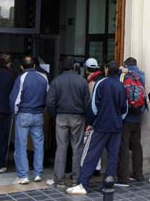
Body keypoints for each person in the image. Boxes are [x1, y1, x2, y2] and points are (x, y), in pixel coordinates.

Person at [67, 60, 128, 195]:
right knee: (113, 156)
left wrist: (90, 123)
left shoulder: (101, 83)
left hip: (100, 125)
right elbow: (124, 109)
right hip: (116, 126)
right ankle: (108, 183)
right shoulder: (121, 86)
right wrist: (118, 120)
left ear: (106, 69)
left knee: (91, 154)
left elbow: (94, 107)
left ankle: (83, 184)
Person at [45, 56, 91, 187]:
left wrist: (55, 115)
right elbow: (87, 102)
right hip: (78, 117)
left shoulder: (56, 81)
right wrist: (87, 119)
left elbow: (50, 102)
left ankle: (59, 179)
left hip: (61, 116)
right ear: (74, 66)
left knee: (61, 147)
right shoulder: (82, 81)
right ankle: (76, 179)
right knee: (77, 148)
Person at [9, 56, 49, 185]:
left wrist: (15, 113)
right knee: (38, 145)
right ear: (33, 66)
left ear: (21, 67)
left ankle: (23, 175)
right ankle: (38, 174)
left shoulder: (21, 78)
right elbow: (48, 97)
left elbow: (14, 100)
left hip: (24, 114)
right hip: (39, 114)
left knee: (21, 145)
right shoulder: (43, 78)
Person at [116, 57, 146, 186]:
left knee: (123, 146)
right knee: (136, 146)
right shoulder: (142, 76)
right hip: (138, 115)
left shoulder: (124, 75)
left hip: (126, 116)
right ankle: (138, 174)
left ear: (125, 64)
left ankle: (123, 176)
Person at [84, 57, 104, 176]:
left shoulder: (91, 82)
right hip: (102, 115)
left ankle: (93, 167)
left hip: (94, 116)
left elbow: (91, 102)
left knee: (90, 143)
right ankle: (98, 166)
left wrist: (89, 121)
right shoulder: (102, 79)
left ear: (86, 69)